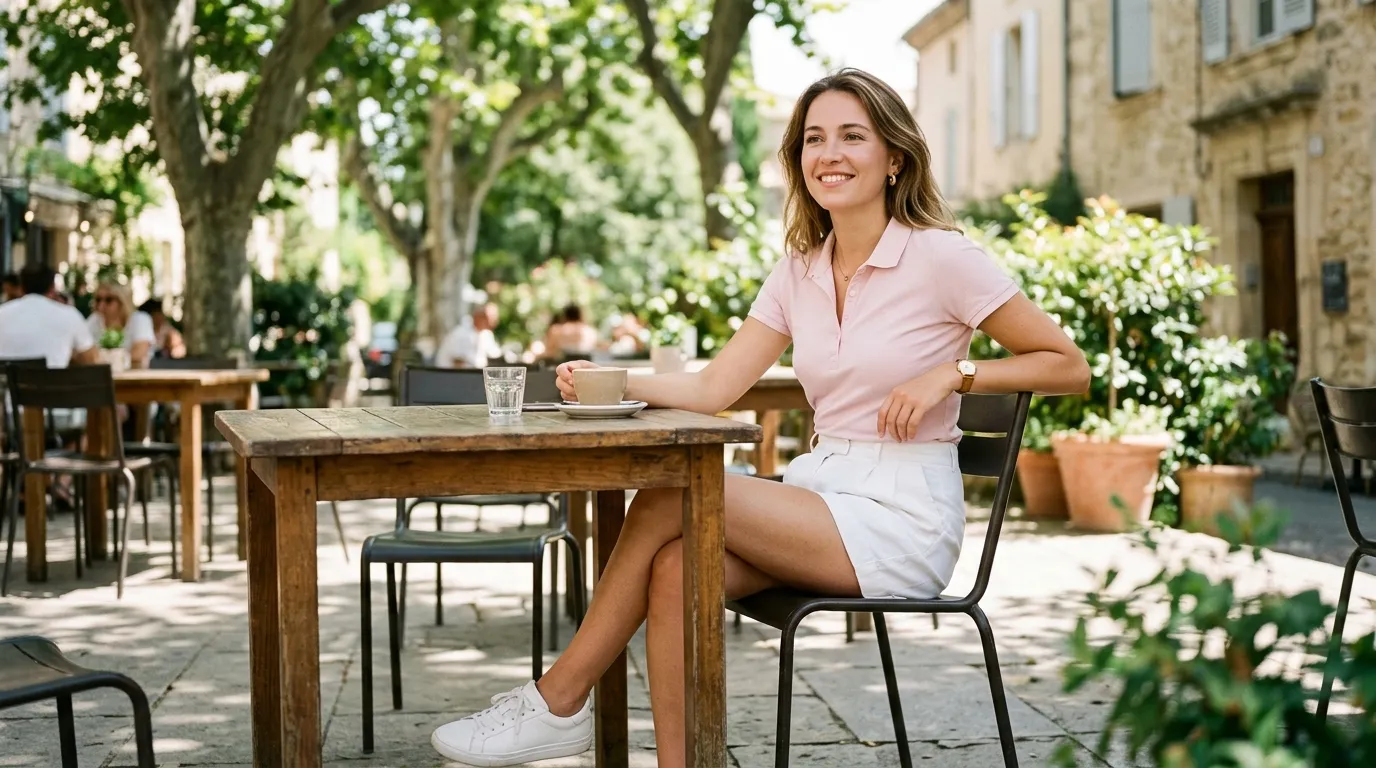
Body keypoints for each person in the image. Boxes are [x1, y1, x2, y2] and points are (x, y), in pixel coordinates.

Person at [427, 68, 1091, 767]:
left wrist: (952, 373)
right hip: (823, 495)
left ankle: (558, 701)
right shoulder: (800, 268)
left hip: (903, 519)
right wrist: (612, 380)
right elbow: (718, 384)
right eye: (814, 139)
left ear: (894, 157)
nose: (828, 154)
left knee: (671, 493)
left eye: (851, 137)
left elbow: (1067, 365)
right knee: (678, 568)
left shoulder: (941, 256)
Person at [0, 265, 97, 367]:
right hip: (53, 381)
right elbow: (92, 359)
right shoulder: (69, 314)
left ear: (21, 288)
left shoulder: (2, 312)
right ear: (52, 287)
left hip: (6, 382)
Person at [87, 281, 156, 368]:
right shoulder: (94, 320)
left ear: (122, 301)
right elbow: (84, 352)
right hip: (103, 376)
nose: (101, 305)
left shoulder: (140, 319)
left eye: (108, 300)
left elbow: (139, 353)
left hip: (137, 376)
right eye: (98, 299)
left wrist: (105, 359)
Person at [435, 301, 503, 369]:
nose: (494, 320)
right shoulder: (460, 334)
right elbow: (458, 366)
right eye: (491, 316)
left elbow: (495, 355)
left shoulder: (486, 334)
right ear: (477, 316)